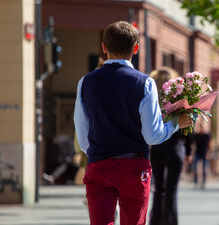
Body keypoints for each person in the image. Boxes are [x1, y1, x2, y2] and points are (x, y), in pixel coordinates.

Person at [74, 21, 192, 225]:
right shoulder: (144, 83)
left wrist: (96, 154)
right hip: (133, 167)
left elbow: (82, 132)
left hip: (99, 165)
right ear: (135, 48)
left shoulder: (86, 82)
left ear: (104, 47)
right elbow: (152, 135)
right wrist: (176, 123)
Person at [148, 67, 192, 225]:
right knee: (171, 191)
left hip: (158, 148)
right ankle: (171, 222)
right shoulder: (178, 99)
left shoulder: (153, 100)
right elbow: (187, 127)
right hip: (175, 148)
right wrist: (188, 150)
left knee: (158, 189)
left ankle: (155, 221)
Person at [193, 123, 211, 189]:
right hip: (197, 153)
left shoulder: (206, 136)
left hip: (204, 154)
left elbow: (209, 145)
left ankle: (203, 182)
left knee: (204, 169)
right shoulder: (196, 135)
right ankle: (195, 182)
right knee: (195, 168)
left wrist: (209, 153)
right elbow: (194, 144)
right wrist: (192, 153)